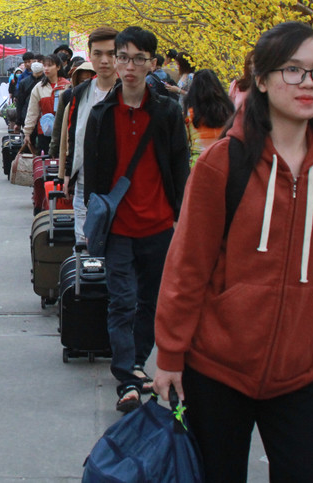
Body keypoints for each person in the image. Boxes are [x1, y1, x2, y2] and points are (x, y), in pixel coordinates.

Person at [153, 21, 313, 483]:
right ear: (263, 81)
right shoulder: (222, 164)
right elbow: (186, 268)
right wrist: (169, 356)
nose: (307, 83)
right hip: (218, 368)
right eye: (292, 70)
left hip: (298, 369)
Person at [81, 26, 190, 413]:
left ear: (153, 64)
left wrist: (181, 219)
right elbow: (93, 178)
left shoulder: (167, 113)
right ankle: (127, 377)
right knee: (121, 302)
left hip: (159, 225)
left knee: (152, 303)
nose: (128, 66)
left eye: (138, 59)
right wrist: (94, 221)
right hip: (119, 228)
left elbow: (180, 169)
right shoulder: (101, 115)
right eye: (123, 57)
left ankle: (137, 365)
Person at [64, 27, 122, 244]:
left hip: (120, 182)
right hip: (84, 181)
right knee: (84, 244)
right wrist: (68, 173)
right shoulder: (81, 92)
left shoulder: (129, 92)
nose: (104, 60)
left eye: (111, 53)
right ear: (90, 55)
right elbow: (73, 134)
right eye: (98, 54)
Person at [183, 68, 234, 164]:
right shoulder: (228, 111)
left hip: (198, 162)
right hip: (224, 161)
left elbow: (184, 142)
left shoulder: (190, 114)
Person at [23, 54, 70, 155]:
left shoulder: (67, 86)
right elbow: (32, 111)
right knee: (46, 162)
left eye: (50, 65)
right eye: (44, 65)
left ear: (58, 67)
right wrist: (27, 132)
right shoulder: (39, 87)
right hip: (44, 131)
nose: (46, 68)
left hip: (64, 132)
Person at [50, 60, 95, 162]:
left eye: (89, 80)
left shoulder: (103, 98)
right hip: (72, 146)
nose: (85, 84)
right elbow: (59, 123)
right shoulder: (68, 96)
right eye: (82, 81)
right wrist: (53, 148)